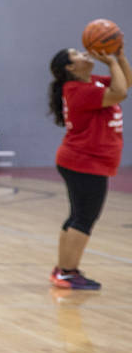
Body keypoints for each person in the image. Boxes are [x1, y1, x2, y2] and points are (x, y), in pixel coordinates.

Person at [48, 44, 127, 290]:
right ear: (71, 67)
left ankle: (63, 269)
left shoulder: (91, 82)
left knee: (77, 216)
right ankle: (67, 273)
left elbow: (125, 82)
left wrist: (120, 58)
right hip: (85, 162)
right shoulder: (79, 90)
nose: (85, 54)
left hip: (82, 160)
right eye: (77, 54)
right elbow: (120, 93)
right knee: (84, 218)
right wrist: (111, 63)